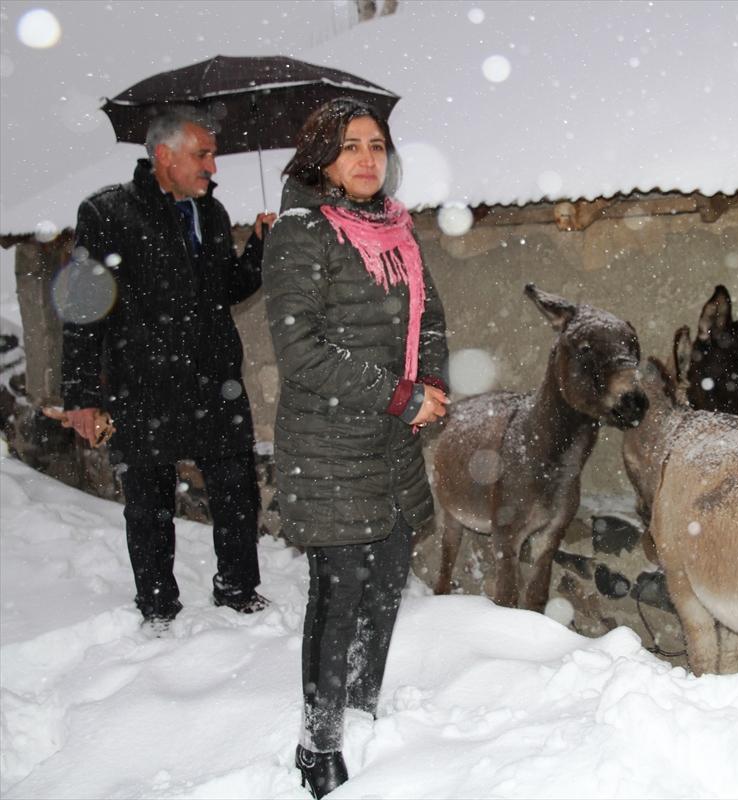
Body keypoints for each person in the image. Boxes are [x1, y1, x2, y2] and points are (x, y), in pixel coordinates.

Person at [262, 97, 449, 799]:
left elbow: (431, 317)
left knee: (387, 583)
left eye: (376, 145)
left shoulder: (397, 229)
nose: (367, 158)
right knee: (339, 597)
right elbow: (301, 351)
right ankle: (319, 745)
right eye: (350, 146)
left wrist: (430, 382)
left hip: (391, 445)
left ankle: (362, 710)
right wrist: (400, 394)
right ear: (323, 158)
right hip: (329, 448)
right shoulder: (301, 233)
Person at [59, 106, 277, 634]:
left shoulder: (212, 213)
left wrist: (259, 248)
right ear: (163, 155)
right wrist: (82, 395)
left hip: (215, 380)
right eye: (202, 155)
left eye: (212, 155)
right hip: (144, 383)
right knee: (149, 503)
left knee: (236, 490)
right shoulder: (108, 212)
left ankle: (238, 589)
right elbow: (84, 308)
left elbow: (225, 290)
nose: (212, 166)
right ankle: (157, 607)